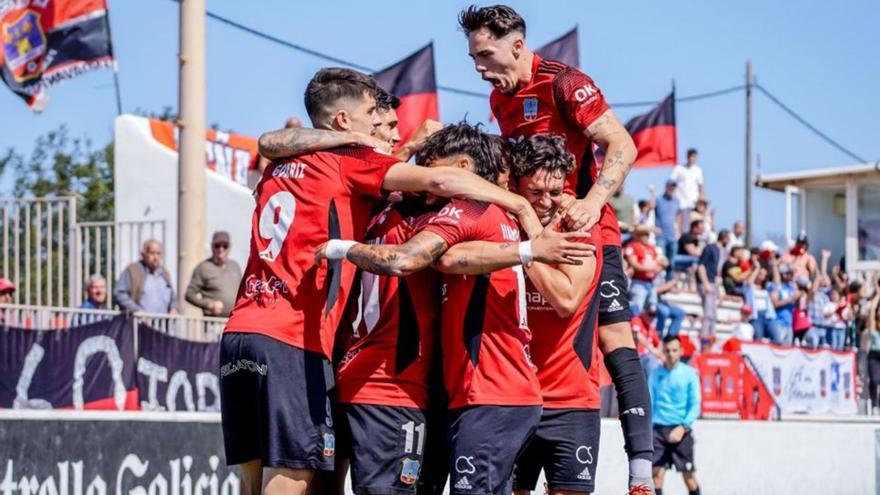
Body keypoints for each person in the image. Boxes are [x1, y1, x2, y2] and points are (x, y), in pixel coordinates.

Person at [223, 69, 550, 495]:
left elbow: (270, 142)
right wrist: (517, 204)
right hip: (299, 342)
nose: (381, 127)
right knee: (290, 479)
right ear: (343, 121)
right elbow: (434, 191)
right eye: (372, 116)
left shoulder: (282, 166)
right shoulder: (358, 167)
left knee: (253, 481)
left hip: (241, 333)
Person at [317, 128, 595, 495]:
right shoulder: (449, 209)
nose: (425, 179)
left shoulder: (473, 209)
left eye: (432, 170)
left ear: (462, 168)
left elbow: (433, 258)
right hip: (461, 395)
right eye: (535, 192)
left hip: (490, 395)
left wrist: (336, 247)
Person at [457, 5, 655, 490]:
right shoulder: (499, 99)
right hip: (528, 233)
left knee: (613, 342)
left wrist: (590, 202)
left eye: (486, 55)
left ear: (517, 45)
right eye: (473, 58)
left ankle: (643, 474)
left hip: (587, 230)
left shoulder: (564, 82)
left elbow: (621, 144)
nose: (480, 68)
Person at [649, 335, 702, 495]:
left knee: (689, 478)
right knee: (656, 477)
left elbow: (695, 405)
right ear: (663, 351)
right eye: (667, 350)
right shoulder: (654, 374)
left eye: (674, 350)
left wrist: (683, 427)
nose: (671, 354)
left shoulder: (690, 374)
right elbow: (649, 403)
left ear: (681, 351)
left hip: (681, 431)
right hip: (658, 431)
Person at [185, 231, 242, 317]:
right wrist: (209, 305)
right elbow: (189, 294)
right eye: (217, 246)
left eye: (225, 246)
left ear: (229, 248)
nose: (221, 249)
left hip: (234, 321)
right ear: (212, 247)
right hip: (214, 323)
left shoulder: (235, 266)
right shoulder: (203, 268)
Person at [114, 239, 179, 314]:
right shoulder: (133, 271)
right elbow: (119, 293)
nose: (155, 258)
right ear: (143, 255)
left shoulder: (164, 274)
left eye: (158, 254)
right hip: (139, 323)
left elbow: (172, 296)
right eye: (152, 253)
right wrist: (136, 310)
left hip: (162, 324)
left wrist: (174, 308)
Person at [696, 230, 729, 351]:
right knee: (708, 314)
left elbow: (717, 273)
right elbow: (701, 266)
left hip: (713, 282)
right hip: (706, 281)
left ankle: (710, 343)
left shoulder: (722, 252)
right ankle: (704, 344)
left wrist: (719, 290)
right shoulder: (710, 248)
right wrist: (705, 283)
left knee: (713, 315)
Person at [626, 225, 667, 316]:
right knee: (636, 309)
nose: (647, 237)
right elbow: (634, 264)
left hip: (651, 283)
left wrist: (658, 268)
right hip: (638, 282)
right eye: (644, 234)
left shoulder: (651, 248)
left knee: (652, 310)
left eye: (647, 234)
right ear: (639, 235)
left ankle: (648, 330)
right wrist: (651, 268)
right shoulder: (632, 246)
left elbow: (664, 262)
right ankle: (635, 328)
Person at [669, 148, 704, 234]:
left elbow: (701, 186)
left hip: (693, 203)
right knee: (682, 227)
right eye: (691, 157)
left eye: (694, 157)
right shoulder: (679, 169)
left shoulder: (698, 170)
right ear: (687, 157)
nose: (692, 159)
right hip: (681, 202)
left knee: (695, 225)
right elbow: (671, 183)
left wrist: (702, 198)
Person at [769, 263, 800, 346]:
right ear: (782, 274)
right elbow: (775, 304)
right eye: (788, 273)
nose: (791, 275)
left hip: (789, 324)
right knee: (778, 346)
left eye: (791, 273)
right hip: (779, 323)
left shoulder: (792, 287)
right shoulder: (777, 287)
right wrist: (790, 299)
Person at [864, 287, 880, 415]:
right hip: (874, 355)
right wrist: (878, 294)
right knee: (874, 379)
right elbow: (872, 311)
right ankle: (874, 404)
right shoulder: (874, 329)